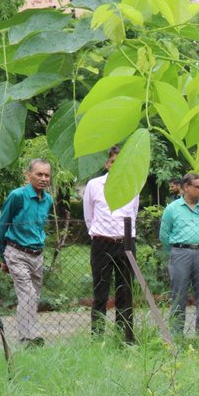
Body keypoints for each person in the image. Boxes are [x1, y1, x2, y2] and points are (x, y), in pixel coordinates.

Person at [83, 146, 139, 343]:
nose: (117, 165)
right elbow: (88, 216)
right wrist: (100, 234)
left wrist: (126, 238)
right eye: (113, 161)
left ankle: (124, 337)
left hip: (126, 244)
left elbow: (134, 214)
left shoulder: (133, 185)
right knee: (100, 292)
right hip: (102, 244)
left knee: (126, 292)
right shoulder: (94, 185)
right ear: (107, 164)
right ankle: (97, 338)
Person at [0, 159, 54, 346]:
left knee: (34, 296)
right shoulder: (17, 196)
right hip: (16, 252)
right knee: (27, 294)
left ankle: (29, 335)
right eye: (39, 174)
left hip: (37, 254)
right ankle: (26, 337)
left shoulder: (48, 199)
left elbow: (39, 226)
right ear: (28, 175)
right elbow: (2, 225)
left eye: (47, 175)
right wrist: (2, 257)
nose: (44, 178)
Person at [159, 173, 199, 338]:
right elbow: (164, 234)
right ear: (186, 188)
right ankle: (176, 335)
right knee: (178, 295)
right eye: (198, 187)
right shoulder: (172, 209)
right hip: (180, 253)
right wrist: (177, 251)